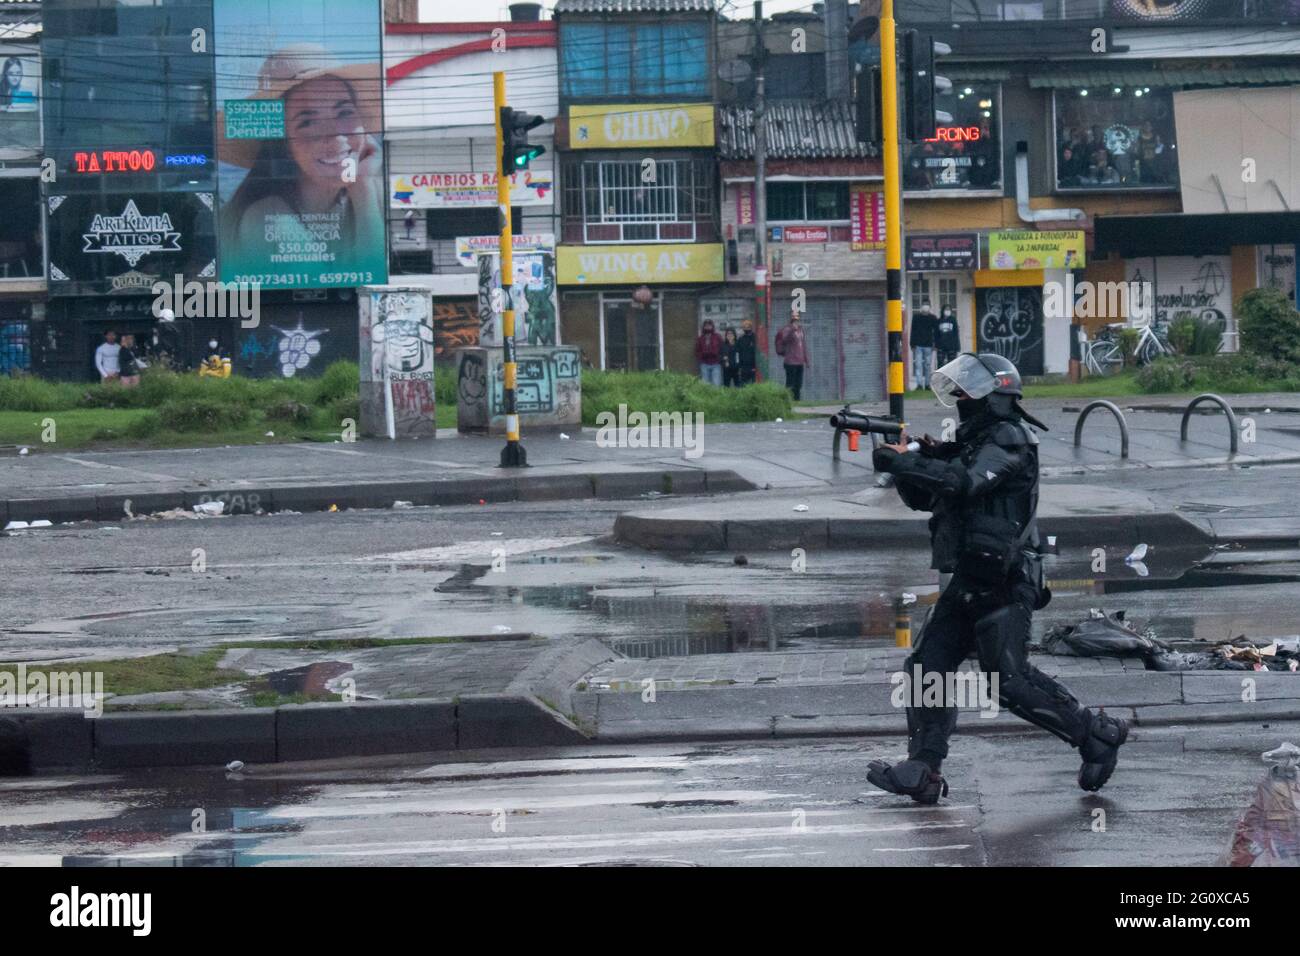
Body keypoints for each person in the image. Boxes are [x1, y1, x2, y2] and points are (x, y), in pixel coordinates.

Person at [865, 353, 1128, 804]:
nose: (962, 399)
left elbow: (964, 483)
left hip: (1006, 578)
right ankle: (925, 769)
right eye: (960, 391)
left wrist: (905, 463)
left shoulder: (1009, 440)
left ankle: (1096, 734)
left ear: (996, 395)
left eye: (969, 391)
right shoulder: (971, 442)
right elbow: (930, 498)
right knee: (927, 669)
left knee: (1007, 680)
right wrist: (908, 459)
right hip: (969, 576)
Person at [220, 45, 384, 275]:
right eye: (307, 122)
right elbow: (367, 278)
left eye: (345, 113)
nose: (336, 136)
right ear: (283, 144)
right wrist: (365, 194)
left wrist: (363, 185)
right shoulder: (267, 216)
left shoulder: (360, 196)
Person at [774, 312, 808, 401]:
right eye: (794, 320)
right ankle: (788, 401)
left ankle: (797, 402)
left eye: (797, 320)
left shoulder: (801, 330)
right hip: (790, 362)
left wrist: (806, 359)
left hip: (800, 362)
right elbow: (785, 340)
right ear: (791, 320)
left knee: (798, 384)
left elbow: (803, 345)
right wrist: (792, 330)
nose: (796, 322)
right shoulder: (787, 329)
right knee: (790, 384)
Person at [909, 300, 937, 389]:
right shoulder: (916, 317)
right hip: (918, 345)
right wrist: (912, 344)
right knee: (918, 365)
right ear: (921, 306)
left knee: (928, 365)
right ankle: (919, 384)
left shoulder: (933, 318)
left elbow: (936, 332)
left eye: (927, 305)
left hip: (929, 345)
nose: (926, 306)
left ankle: (928, 384)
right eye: (924, 305)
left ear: (930, 307)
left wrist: (935, 344)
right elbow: (913, 331)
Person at [695, 318, 723, 386]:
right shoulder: (700, 338)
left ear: (712, 326)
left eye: (709, 325)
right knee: (705, 385)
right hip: (704, 364)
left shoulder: (717, 337)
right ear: (704, 327)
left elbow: (722, 348)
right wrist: (702, 356)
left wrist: (719, 357)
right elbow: (697, 351)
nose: (708, 327)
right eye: (706, 326)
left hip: (716, 364)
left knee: (716, 384)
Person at [737, 319, 758, 386]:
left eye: (748, 327)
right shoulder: (740, 339)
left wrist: (755, 366)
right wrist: (739, 366)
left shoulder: (755, 337)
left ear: (751, 327)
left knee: (754, 386)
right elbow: (738, 353)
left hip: (754, 367)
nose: (746, 328)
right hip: (743, 368)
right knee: (743, 386)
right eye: (744, 327)